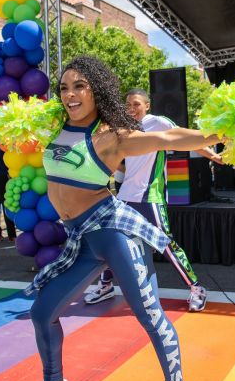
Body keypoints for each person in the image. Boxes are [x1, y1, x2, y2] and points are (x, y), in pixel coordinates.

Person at [18, 56, 227, 381]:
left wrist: (213, 136)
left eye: (79, 86)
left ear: (96, 91)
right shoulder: (55, 127)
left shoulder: (113, 135)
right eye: (64, 87)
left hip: (113, 233)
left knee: (149, 316)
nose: (70, 94)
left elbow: (168, 139)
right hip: (79, 237)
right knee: (42, 312)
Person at [85, 88, 221, 312]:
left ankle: (197, 288)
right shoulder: (125, 130)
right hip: (125, 197)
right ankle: (106, 285)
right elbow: (123, 163)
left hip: (150, 197)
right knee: (111, 243)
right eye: (128, 104)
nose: (131, 108)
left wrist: (212, 155)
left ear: (147, 105)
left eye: (136, 104)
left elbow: (186, 139)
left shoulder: (157, 122)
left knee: (166, 245)